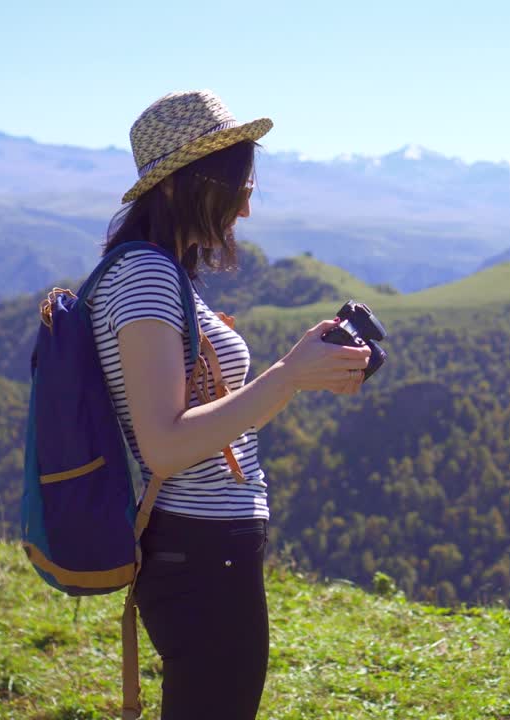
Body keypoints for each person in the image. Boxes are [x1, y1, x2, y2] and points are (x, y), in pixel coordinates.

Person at [89, 89, 371, 719]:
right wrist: (288, 376)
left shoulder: (163, 274)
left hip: (203, 546)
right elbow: (163, 445)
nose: (247, 200)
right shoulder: (147, 277)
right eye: (238, 182)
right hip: (200, 548)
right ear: (182, 185)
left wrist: (300, 371)